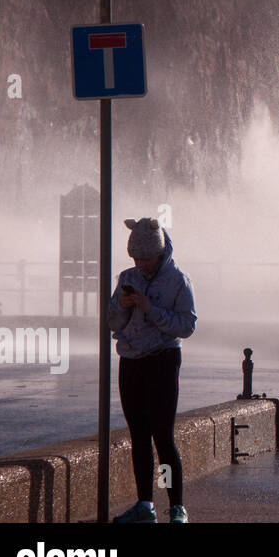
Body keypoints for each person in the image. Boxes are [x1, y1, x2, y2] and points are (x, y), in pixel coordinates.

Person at [107, 217, 198, 523]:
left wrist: (150, 309)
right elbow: (111, 323)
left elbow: (187, 326)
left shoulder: (178, 281)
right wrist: (122, 304)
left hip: (162, 361)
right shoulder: (127, 277)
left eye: (145, 258)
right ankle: (145, 505)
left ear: (159, 254)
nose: (140, 264)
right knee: (139, 436)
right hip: (131, 362)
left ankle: (177, 507)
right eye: (135, 258)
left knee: (163, 436)